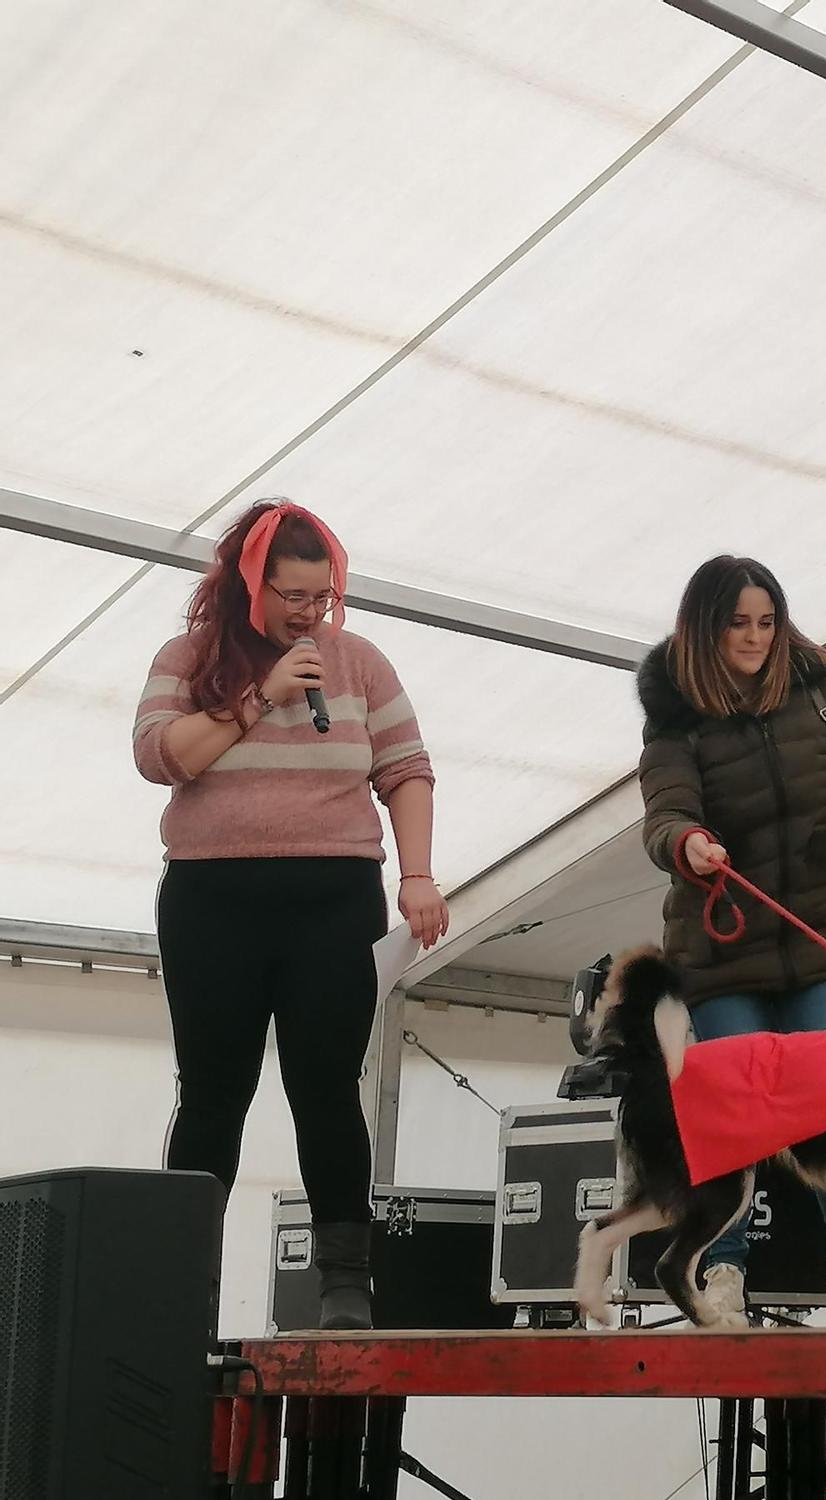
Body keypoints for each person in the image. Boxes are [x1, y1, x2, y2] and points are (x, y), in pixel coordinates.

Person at [132, 500, 447, 1330]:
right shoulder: (189, 657)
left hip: (333, 899)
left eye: (322, 597)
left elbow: (407, 767)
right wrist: (256, 697)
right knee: (212, 1092)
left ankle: (346, 1281)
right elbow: (159, 758)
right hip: (212, 900)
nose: (310, 614)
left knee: (326, 1087)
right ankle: (180, 1287)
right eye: (293, 596)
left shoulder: (358, 663)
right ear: (248, 584)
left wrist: (417, 875)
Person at [635, 555, 826, 1327]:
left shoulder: (819, 693)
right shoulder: (673, 713)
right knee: (737, 1112)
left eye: (767, 622)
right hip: (722, 950)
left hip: (824, 932)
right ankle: (723, 1274)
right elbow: (662, 812)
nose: (756, 637)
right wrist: (687, 842)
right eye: (739, 624)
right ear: (705, 627)